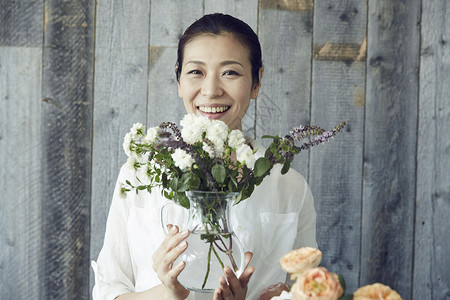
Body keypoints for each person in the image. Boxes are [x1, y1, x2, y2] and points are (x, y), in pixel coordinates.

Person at [92, 13, 317, 300]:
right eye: (196, 72)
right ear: (178, 80)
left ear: (257, 81)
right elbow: (108, 291)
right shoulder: (138, 175)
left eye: (230, 73)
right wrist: (169, 292)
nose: (210, 91)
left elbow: (309, 291)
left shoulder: (291, 187)